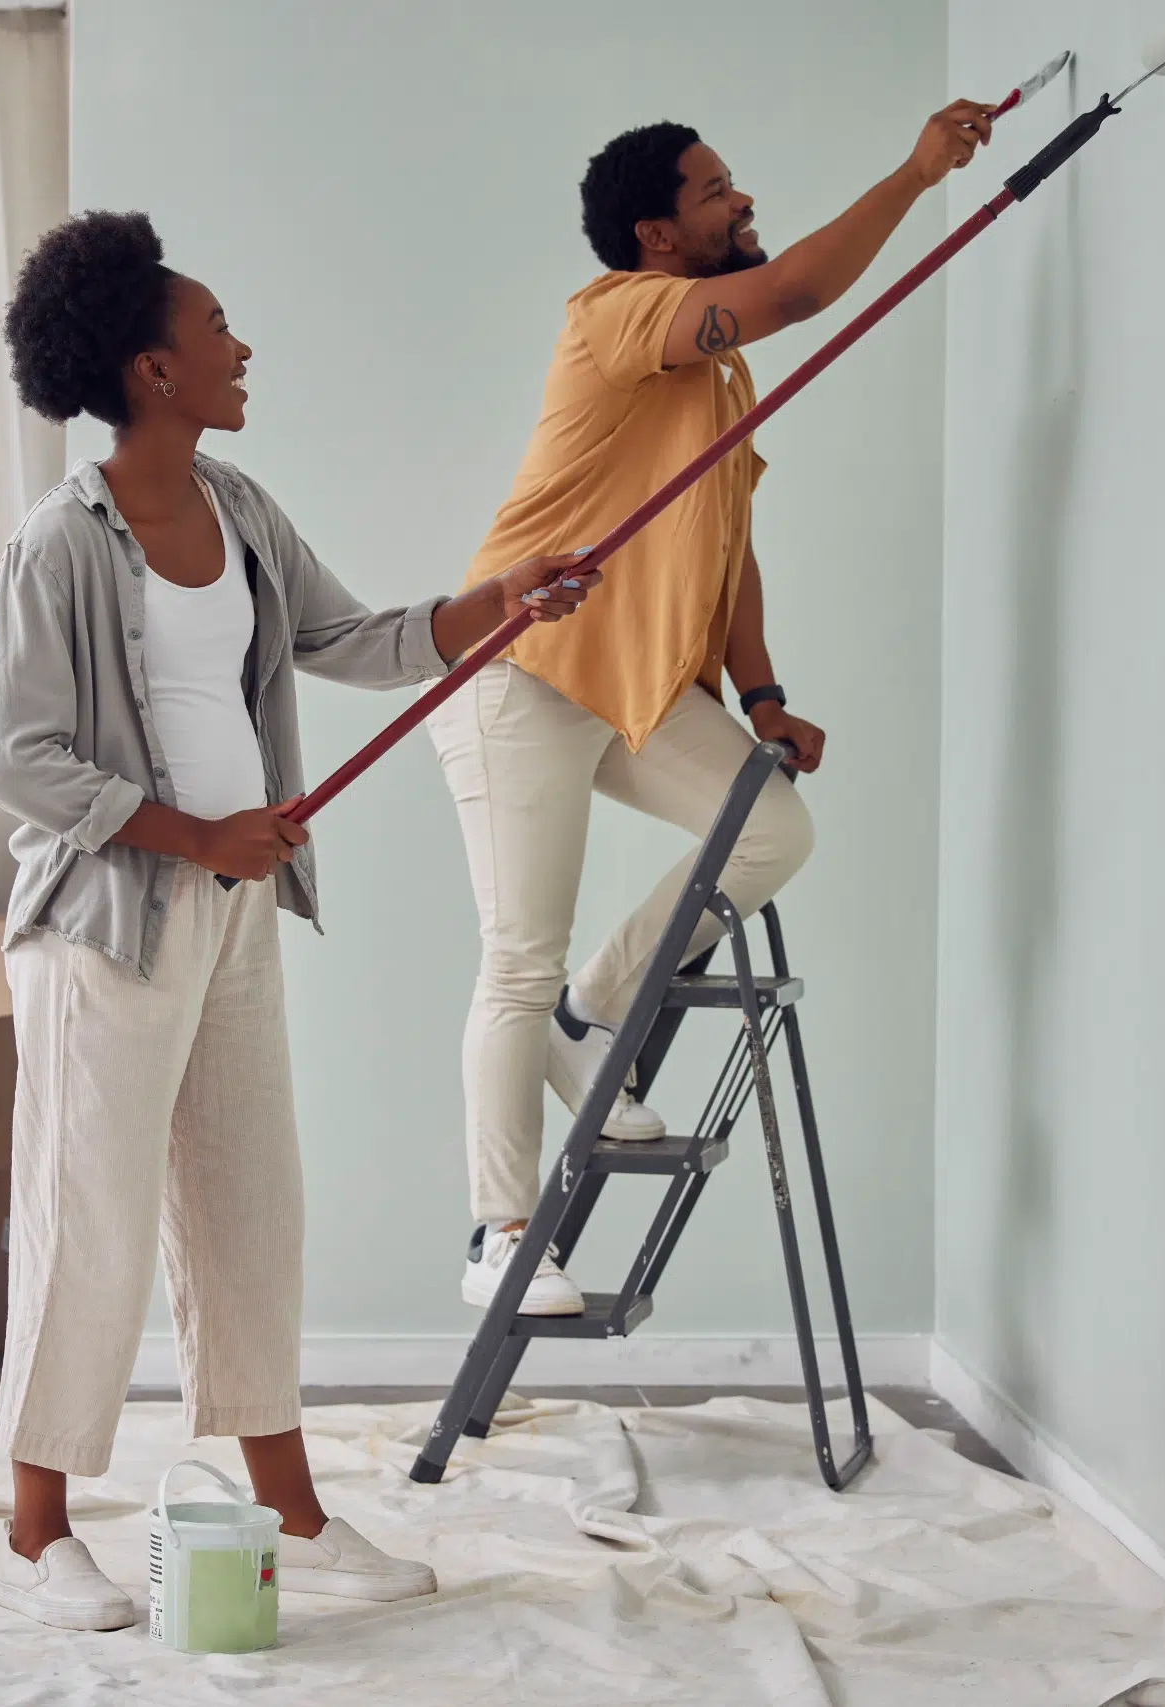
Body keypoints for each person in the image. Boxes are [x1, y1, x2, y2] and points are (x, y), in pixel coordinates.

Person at [0, 209, 600, 1631]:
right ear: (150, 367)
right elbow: (20, 757)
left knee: (253, 1206)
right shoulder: (58, 546)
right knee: (89, 1226)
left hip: (237, 913)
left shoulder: (241, 508)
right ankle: (35, 1529)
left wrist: (493, 607)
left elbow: (346, 638)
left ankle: (288, 1505)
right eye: (214, 329)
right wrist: (195, 830)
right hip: (103, 931)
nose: (239, 345)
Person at [434, 103, 996, 1315]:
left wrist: (765, 694)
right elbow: (797, 294)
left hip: (633, 684)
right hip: (524, 674)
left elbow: (729, 544)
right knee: (513, 955)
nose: (741, 202)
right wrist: (914, 173)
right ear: (657, 235)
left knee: (771, 831)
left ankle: (594, 1021)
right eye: (715, 192)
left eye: (734, 184)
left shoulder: (717, 373)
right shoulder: (616, 315)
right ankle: (500, 1237)